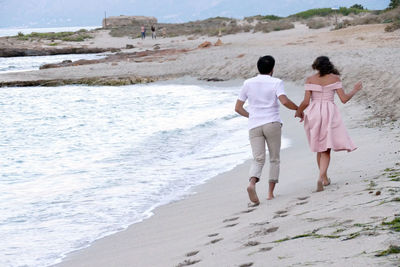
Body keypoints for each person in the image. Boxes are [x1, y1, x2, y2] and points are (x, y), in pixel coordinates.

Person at [235, 55, 299, 204]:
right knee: (274, 158)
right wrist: (298, 109)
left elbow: (238, 108)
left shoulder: (248, 83)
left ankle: (252, 184)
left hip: (254, 125)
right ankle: (270, 193)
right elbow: (284, 101)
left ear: (258, 68)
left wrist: (252, 116)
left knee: (258, 159)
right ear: (272, 69)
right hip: (272, 123)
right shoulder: (276, 82)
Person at [295, 56, 362, 192]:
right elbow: (343, 99)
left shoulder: (310, 80)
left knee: (320, 147)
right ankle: (321, 178)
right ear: (329, 65)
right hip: (329, 113)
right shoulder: (335, 79)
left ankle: (324, 178)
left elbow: (306, 101)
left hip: (314, 113)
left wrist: (299, 111)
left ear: (316, 66)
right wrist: (355, 90)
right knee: (326, 149)